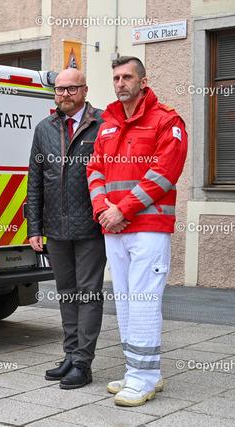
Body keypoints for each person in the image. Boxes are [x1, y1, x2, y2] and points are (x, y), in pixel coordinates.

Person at [87, 56, 187, 406]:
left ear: (143, 82)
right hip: (114, 227)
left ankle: (142, 380)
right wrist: (103, 210)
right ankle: (140, 373)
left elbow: (164, 174)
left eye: (127, 77)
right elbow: (95, 169)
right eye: (116, 78)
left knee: (144, 301)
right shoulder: (108, 122)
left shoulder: (167, 120)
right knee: (126, 302)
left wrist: (122, 209)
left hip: (148, 227)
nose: (120, 83)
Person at [27, 68, 107, 389]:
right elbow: (35, 180)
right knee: (66, 294)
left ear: (85, 90)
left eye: (71, 89)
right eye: (60, 89)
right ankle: (71, 355)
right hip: (56, 229)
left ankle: (83, 363)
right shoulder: (44, 128)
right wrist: (35, 226)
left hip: (91, 227)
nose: (64, 95)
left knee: (88, 294)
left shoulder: (102, 124)